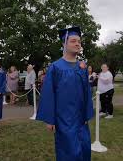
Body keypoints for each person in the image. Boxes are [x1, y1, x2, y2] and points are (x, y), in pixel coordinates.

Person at [36, 26, 94, 161]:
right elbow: (49, 94)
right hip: (64, 118)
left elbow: (87, 92)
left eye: (79, 41)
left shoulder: (83, 66)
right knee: (68, 151)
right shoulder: (55, 67)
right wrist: (50, 120)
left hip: (81, 118)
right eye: (73, 41)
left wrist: (87, 113)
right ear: (64, 44)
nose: (77, 44)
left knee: (84, 148)